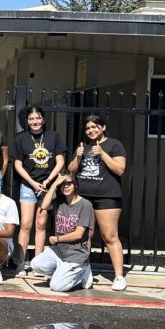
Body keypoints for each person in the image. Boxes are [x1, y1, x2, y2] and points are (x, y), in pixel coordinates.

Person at [68, 114, 128, 291]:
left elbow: (120, 169)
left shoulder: (114, 145)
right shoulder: (83, 146)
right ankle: (84, 273)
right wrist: (78, 157)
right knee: (83, 236)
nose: (91, 131)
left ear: (103, 127)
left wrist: (102, 154)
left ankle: (118, 276)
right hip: (84, 197)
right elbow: (71, 170)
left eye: (94, 127)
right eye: (88, 128)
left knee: (109, 236)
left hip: (107, 197)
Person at [10, 105, 66, 270]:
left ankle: (37, 264)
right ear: (27, 121)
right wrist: (33, 183)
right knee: (26, 224)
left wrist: (48, 181)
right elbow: (18, 164)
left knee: (41, 224)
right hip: (28, 185)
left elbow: (60, 161)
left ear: (43, 119)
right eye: (31, 119)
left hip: (47, 186)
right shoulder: (21, 138)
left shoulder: (53, 136)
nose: (35, 121)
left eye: (38, 118)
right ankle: (21, 261)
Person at [30, 174, 95, 292]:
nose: (66, 186)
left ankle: (82, 271)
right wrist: (54, 184)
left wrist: (58, 239)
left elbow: (78, 234)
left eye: (69, 183)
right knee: (35, 264)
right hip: (58, 251)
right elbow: (44, 206)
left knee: (56, 287)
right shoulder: (59, 201)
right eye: (63, 184)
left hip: (75, 254)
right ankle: (62, 272)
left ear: (75, 185)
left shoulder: (85, 205)